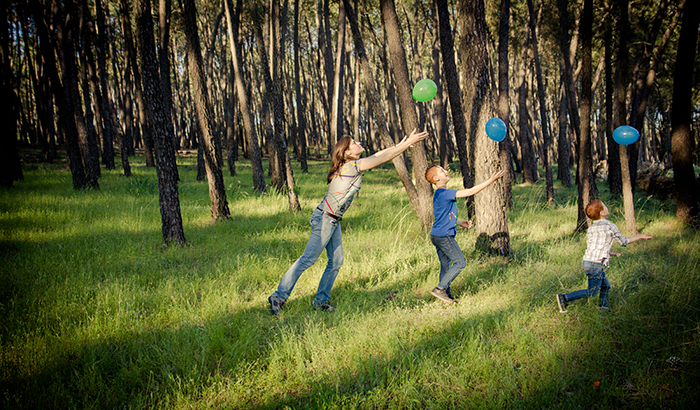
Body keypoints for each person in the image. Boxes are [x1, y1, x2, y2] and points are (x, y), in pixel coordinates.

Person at [268, 129, 429, 316]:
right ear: (346, 152)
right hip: (325, 219)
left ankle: (321, 301)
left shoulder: (351, 164)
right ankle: (278, 296)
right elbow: (383, 158)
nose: (358, 142)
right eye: (354, 142)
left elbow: (379, 155)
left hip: (332, 220)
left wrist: (401, 145)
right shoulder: (352, 166)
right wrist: (406, 145)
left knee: (336, 261)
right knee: (308, 259)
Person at [424, 165, 506, 303]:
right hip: (444, 236)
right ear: (436, 178)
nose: (446, 171)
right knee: (460, 262)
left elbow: (443, 216)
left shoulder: (438, 195)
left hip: (436, 235)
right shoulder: (445, 193)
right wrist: (491, 180)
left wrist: (459, 222)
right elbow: (471, 191)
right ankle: (440, 289)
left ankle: (445, 294)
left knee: (446, 266)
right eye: (442, 171)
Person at [556, 199, 653, 312]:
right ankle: (565, 298)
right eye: (605, 206)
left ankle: (603, 308)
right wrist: (640, 236)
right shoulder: (610, 226)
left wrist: (611, 253)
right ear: (602, 212)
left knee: (606, 286)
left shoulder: (591, 228)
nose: (607, 208)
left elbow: (595, 246)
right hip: (595, 265)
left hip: (587, 262)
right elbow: (624, 242)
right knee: (592, 292)